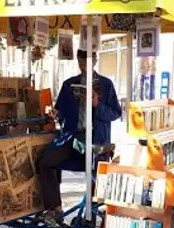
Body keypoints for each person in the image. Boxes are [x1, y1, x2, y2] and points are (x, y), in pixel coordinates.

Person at [37, 49, 122, 227]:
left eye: (87, 62)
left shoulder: (106, 85)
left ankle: (90, 215)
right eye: (81, 62)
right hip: (72, 138)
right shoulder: (69, 84)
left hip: (97, 140)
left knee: (96, 175)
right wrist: (54, 113)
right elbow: (60, 111)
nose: (84, 66)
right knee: (46, 159)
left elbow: (115, 113)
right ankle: (55, 208)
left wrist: (97, 104)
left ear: (95, 61)